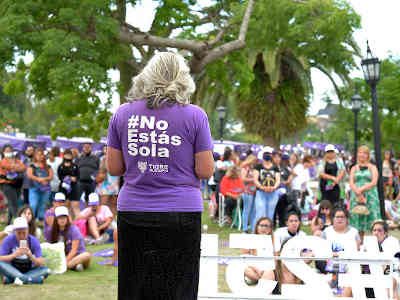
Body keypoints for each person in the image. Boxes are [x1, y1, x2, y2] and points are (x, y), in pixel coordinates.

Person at [106, 52, 214, 300]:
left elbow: (114, 168)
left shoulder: (122, 114)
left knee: (135, 289)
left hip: (134, 210)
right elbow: (205, 171)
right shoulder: (195, 115)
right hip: (181, 211)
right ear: (182, 78)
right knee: (179, 289)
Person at [0, 217, 49, 284]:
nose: (21, 236)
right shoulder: (8, 240)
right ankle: (35, 280)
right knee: (1, 264)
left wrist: (31, 256)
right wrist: (14, 255)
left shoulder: (34, 241)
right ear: (14, 231)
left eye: (24, 233)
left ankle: (11, 280)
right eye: (19, 233)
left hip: (29, 270)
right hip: (12, 268)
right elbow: (1, 258)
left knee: (46, 270)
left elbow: (40, 263)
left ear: (28, 230)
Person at [349, 145, 381, 243]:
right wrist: (357, 192)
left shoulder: (372, 167)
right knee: (358, 220)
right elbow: (351, 182)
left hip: (370, 196)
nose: (362, 155)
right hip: (356, 196)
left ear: (368, 155)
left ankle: (377, 244)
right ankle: (359, 244)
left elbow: (374, 182)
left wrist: (362, 189)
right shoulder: (354, 168)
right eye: (360, 152)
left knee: (373, 220)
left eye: (364, 153)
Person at [48, 206, 91, 271]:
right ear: (56, 219)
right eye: (60, 218)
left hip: (78, 256)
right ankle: (74, 266)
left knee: (87, 255)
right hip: (63, 256)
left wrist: (64, 262)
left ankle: (67, 266)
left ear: (67, 218)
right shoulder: (53, 231)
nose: (62, 220)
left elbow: (74, 250)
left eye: (64, 217)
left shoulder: (74, 230)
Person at [253, 148, 281, 230]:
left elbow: (278, 179)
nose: (267, 155)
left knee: (270, 214)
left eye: (269, 154)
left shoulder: (275, 167)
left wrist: (274, 187)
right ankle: (257, 231)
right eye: (266, 153)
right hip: (261, 192)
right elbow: (255, 179)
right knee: (260, 212)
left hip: (273, 192)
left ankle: (269, 231)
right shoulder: (258, 166)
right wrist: (262, 187)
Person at [243, 217, 274, 284]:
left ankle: (264, 279)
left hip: (268, 270)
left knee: (269, 272)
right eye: (261, 225)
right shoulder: (250, 239)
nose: (264, 228)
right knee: (243, 268)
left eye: (266, 226)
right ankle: (263, 279)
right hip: (253, 270)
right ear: (257, 226)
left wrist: (265, 270)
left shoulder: (274, 241)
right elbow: (244, 259)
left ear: (271, 228)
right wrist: (256, 269)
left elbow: (275, 260)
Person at [0, 144, 26, 225]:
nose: (8, 152)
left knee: (13, 202)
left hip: (17, 184)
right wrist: (15, 167)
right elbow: (7, 166)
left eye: (9, 151)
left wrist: (15, 166)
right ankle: (18, 223)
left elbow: (23, 167)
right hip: (6, 184)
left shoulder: (17, 160)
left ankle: (8, 221)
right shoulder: (2, 161)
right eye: (6, 151)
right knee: (13, 203)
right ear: (3, 152)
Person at [26, 147, 53, 225]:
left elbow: (51, 176)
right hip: (34, 188)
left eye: (41, 155)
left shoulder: (47, 166)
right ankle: (30, 221)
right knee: (33, 205)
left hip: (45, 189)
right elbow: (30, 175)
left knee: (43, 205)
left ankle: (40, 221)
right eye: (38, 155)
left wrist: (45, 179)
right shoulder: (32, 165)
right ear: (35, 156)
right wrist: (39, 179)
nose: (40, 156)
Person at [57, 149, 80, 219]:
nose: (68, 157)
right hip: (64, 187)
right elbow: (59, 176)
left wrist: (73, 178)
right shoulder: (60, 166)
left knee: (75, 205)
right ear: (63, 156)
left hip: (73, 187)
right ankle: (68, 221)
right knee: (65, 205)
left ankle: (77, 222)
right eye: (66, 155)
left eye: (69, 155)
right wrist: (65, 178)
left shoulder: (75, 166)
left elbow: (78, 176)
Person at [97, 146, 119, 216]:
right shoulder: (102, 159)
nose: (107, 150)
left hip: (114, 182)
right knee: (103, 203)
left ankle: (113, 221)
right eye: (105, 149)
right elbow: (101, 170)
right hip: (104, 183)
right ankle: (101, 218)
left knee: (113, 203)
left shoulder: (117, 158)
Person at [274, 152, 294, 228]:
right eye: (275, 157)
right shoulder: (271, 167)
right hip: (274, 192)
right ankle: (272, 228)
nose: (277, 159)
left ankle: (282, 227)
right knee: (274, 212)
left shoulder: (284, 168)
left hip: (284, 194)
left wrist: (288, 181)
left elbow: (292, 175)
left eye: (278, 157)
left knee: (282, 212)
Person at [240, 154, 258, 233]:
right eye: (254, 161)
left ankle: (253, 228)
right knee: (247, 210)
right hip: (247, 191)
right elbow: (243, 179)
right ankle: (245, 228)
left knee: (254, 210)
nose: (255, 162)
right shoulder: (245, 168)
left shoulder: (254, 168)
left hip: (255, 191)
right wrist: (253, 179)